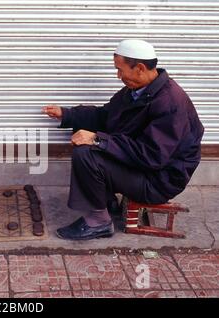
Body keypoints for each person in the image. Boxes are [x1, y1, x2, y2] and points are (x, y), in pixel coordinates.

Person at [42, 39, 204, 241]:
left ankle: (98, 222)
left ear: (140, 68)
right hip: (144, 169)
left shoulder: (170, 103)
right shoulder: (138, 91)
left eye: (120, 70)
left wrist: (97, 140)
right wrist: (67, 115)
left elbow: (152, 156)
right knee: (90, 139)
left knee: (87, 153)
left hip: (158, 181)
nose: (118, 76)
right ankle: (106, 201)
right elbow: (105, 116)